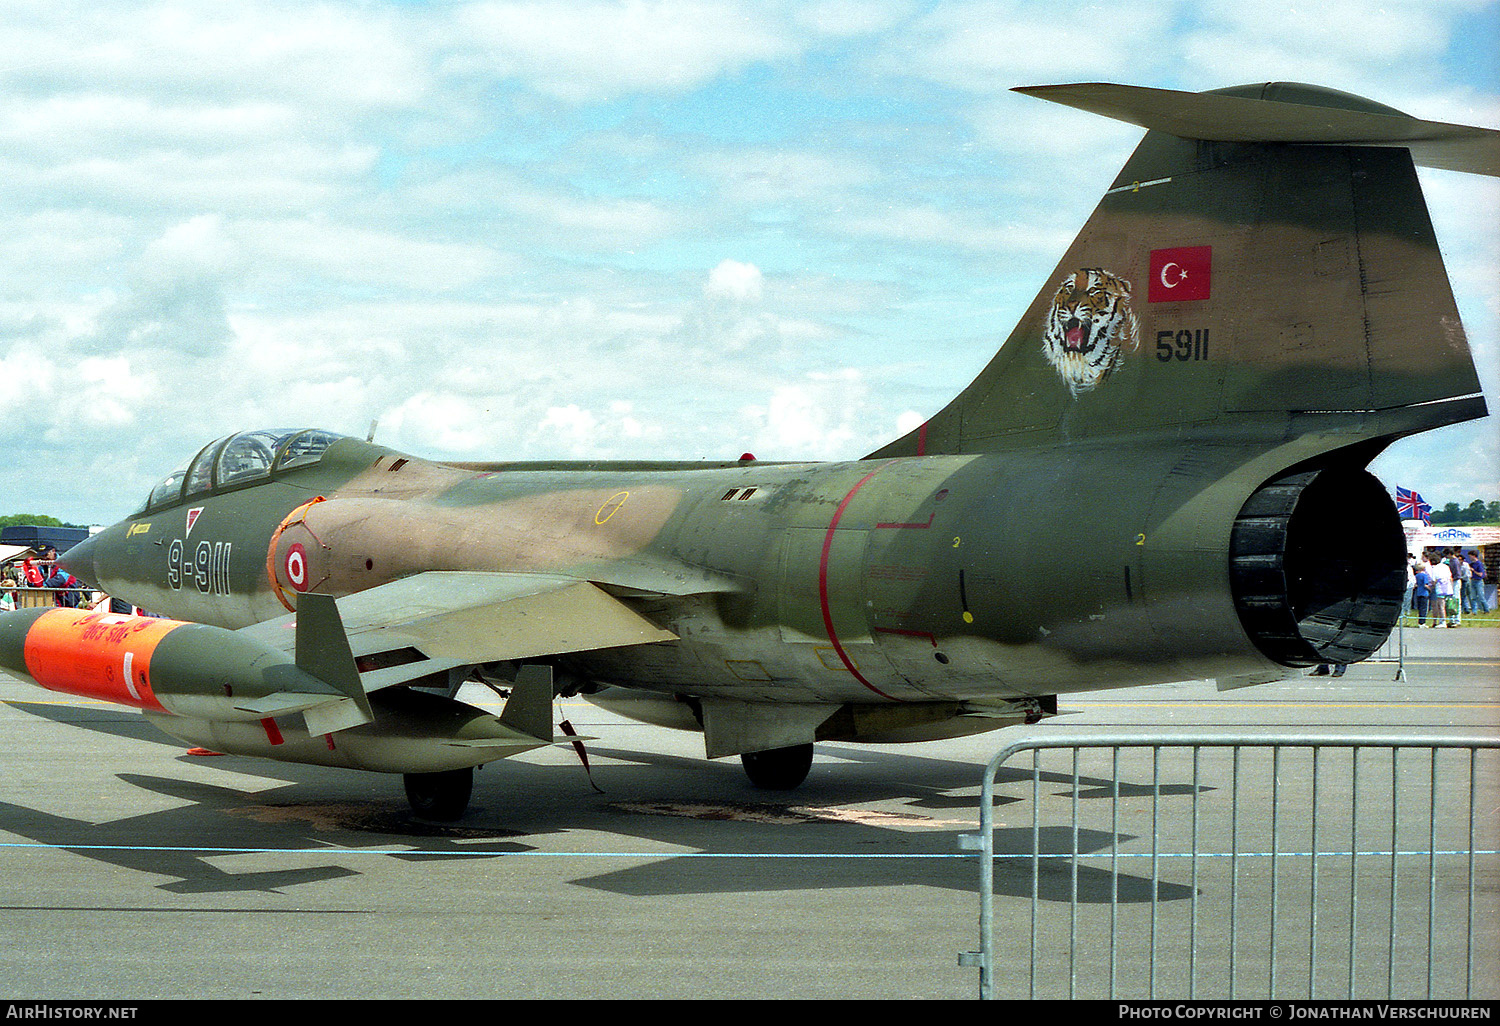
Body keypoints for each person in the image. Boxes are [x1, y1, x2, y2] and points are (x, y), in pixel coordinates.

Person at [1428, 551, 1455, 627]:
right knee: (1449, 605)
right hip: (1448, 587)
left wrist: (1431, 586)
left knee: (1441, 606)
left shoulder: (1435, 568)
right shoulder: (1445, 566)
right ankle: (1451, 620)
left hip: (1440, 588)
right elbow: (1450, 577)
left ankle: (1443, 622)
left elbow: (1434, 580)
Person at [1465, 550, 1488, 614]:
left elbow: (1481, 574)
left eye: (1470, 556)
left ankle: (1486, 609)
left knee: (1481, 597)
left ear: (1474, 556)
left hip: (1479, 581)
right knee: (1473, 597)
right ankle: (1474, 611)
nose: (1469, 557)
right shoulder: (1472, 564)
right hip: (1473, 581)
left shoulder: (1479, 564)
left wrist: (1473, 570)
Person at [1413, 558, 1433, 627]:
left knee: (1420, 608)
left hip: (1419, 592)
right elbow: (1425, 584)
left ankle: (1420, 622)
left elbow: (1416, 584)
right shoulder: (1424, 575)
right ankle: (1422, 622)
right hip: (1424, 593)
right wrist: (1430, 589)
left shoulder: (1417, 576)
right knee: (1424, 608)